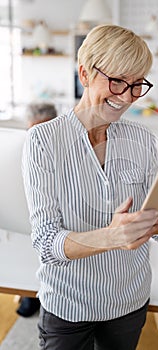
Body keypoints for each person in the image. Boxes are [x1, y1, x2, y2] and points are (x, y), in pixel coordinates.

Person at [22, 25, 158, 350]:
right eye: (117, 82)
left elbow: (156, 226)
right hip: (69, 305)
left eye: (137, 85)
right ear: (84, 73)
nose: (126, 97)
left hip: (129, 301)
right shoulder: (44, 140)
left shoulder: (141, 140)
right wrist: (110, 237)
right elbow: (44, 244)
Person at [16, 102, 57, 318]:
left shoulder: (65, 149)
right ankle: (29, 293)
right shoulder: (20, 147)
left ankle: (36, 295)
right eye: (33, 129)